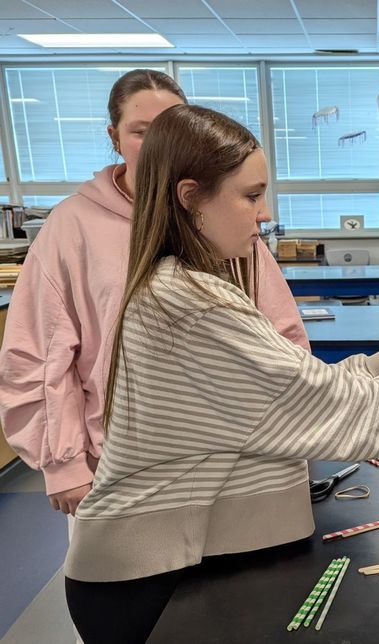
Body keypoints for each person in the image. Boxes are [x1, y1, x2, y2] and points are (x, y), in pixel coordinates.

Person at [63, 104, 379, 643]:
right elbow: (333, 410)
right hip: (148, 582)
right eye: (251, 196)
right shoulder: (192, 304)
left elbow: (291, 391)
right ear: (190, 198)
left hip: (171, 563)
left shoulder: (184, 285)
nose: (265, 212)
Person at [0, 69, 309, 516]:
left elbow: (280, 335)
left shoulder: (219, 217)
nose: (161, 146)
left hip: (232, 459)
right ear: (114, 136)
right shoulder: (73, 226)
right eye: (142, 132)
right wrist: (64, 465)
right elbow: (40, 352)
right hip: (123, 468)